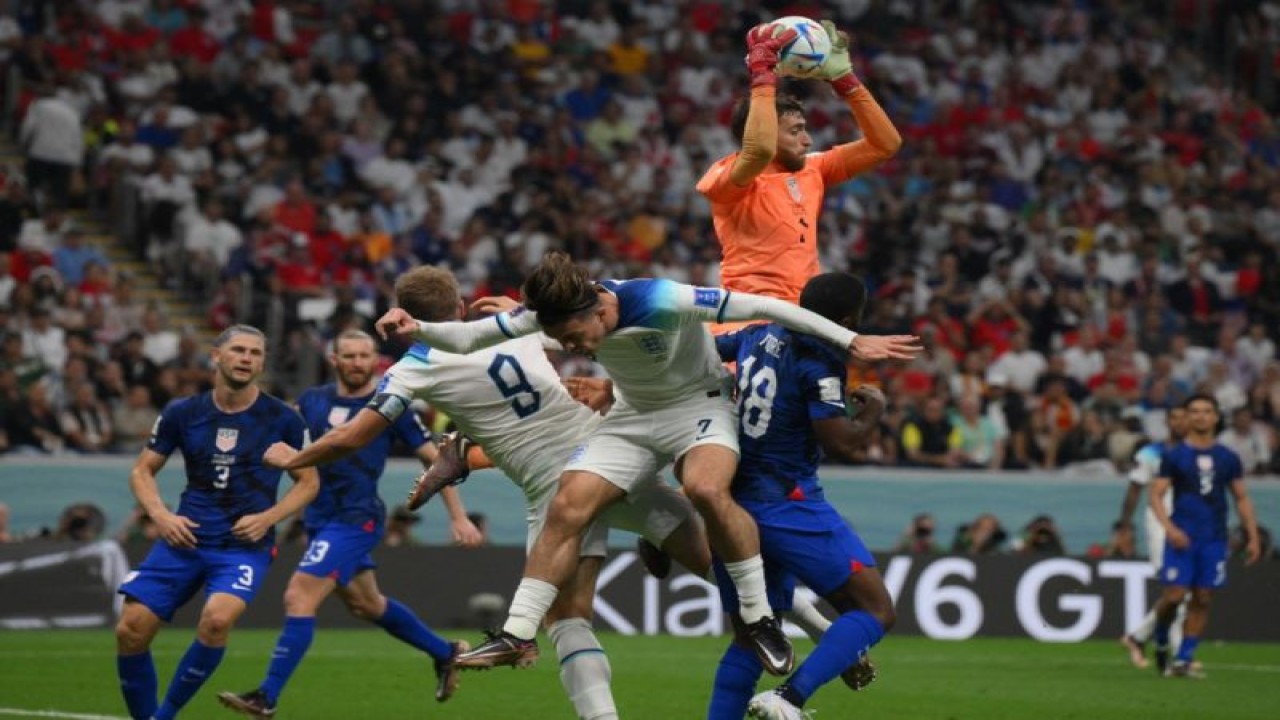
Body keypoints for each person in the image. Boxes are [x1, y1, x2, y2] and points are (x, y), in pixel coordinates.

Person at [375, 251, 919, 677]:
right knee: (568, 502)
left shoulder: (663, 298)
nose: (571, 346)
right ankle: (517, 632)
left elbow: (768, 307)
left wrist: (852, 342)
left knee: (705, 490)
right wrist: (415, 330)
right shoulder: (558, 316)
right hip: (633, 418)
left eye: (573, 336)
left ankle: (758, 619)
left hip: (699, 408)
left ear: (597, 310)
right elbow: (468, 335)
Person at [265, 266, 711, 720]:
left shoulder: (411, 369)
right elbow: (576, 326)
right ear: (459, 308)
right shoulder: (517, 323)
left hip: (552, 486)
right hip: (602, 452)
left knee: (566, 621)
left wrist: (292, 460)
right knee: (715, 566)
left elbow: (350, 437)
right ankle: (773, 623)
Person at [217, 330, 483, 718]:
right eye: (350, 356)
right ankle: (446, 653)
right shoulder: (311, 401)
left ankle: (266, 697)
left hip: (356, 519)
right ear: (335, 359)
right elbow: (279, 446)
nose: (358, 363)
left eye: (364, 356)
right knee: (366, 604)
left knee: (299, 596)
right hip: (319, 520)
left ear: (375, 361)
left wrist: (457, 515)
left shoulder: (391, 404)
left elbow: (437, 459)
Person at [704, 272, 896, 720]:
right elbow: (839, 441)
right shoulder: (819, 359)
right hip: (785, 500)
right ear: (848, 320)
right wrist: (875, 413)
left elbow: (707, 351)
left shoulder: (758, 331)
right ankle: (788, 699)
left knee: (752, 634)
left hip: (733, 503)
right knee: (875, 609)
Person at [113, 325, 319, 720]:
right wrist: (161, 516)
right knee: (130, 629)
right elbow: (142, 472)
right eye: (238, 350)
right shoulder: (182, 412)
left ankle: (164, 715)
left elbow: (309, 483)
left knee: (217, 620)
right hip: (183, 539)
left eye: (255, 353)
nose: (246, 359)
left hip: (243, 546)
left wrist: (268, 517)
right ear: (216, 356)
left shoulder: (283, 418)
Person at [697, 21, 901, 309]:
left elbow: (886, 144)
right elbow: (759, 151)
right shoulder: (726, 177)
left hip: (803, 314)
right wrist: (763, 76)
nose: (807, 140)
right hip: (750, 317)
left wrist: (846, 82)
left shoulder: (812, 168)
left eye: (804, 129)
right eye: (794, 131)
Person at [1149, 394, 1261, 677]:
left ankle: (1184, 659)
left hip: (1213, 538)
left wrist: (1253, 535)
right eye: (1194, 411)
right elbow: (1156, 495)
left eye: (1206, 411)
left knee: (1203, 597)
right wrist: (1170, 529)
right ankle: (1161, 638)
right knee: (1174, 596)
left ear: (1215, 417)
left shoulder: (1227, 458)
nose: (1200, 416)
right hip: (1181, 537)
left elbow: (1241, 498)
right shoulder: (1174, 456)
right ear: (1187, 417)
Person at [1117, 407, 1188, 669]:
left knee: (1185, 590)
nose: (1180, 422)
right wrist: (1125, 526)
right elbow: (1134, 489)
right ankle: (1180, 654)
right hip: (1160, 523)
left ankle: (1138, 637)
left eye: (1184, 418)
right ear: (1168, 422)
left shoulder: (1198, 454)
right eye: (1175, 417)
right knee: (1176, 589)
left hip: (1190, 525)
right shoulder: (1150, 453)